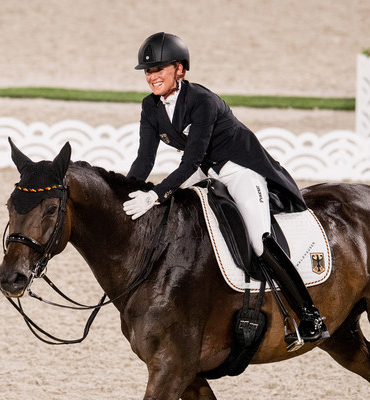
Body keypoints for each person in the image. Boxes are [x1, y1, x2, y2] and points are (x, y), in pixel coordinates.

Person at [123, 32, 329, 346]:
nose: (152, 76)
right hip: (207, 172)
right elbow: (144, 158)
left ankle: (310, 315)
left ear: (180, 70)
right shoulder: (150, 107)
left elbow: (190, 160)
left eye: (159, 69)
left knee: (260, 241)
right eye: (149, 71)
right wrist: (126, 192)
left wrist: (154, 194)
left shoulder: (203, 101)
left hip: (240, 171)